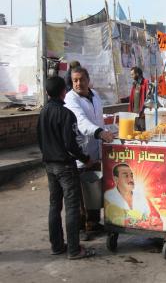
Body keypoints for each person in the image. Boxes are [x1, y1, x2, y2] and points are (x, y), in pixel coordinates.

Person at [37, 76, 95, 260]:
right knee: (71, 207)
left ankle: (56, 246)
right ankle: (74, 249)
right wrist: (85, 158)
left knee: (54, 206)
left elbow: (39, 139)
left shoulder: (43, 112)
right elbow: (71, 145)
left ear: (47, 92)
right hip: (65, 166)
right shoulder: (66, 114)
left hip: (49, 165)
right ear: (64, 91)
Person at [64, 67, 114, 240]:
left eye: (81, 79)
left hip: (96, 149)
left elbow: (98, 119)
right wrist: (100, 132)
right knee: (81, 194)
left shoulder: (94, 95)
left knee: (94, 189)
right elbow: (82, 122)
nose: (78, 83)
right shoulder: (71, 98)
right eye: (75, 80)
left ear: (88, 79)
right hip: (81, 152)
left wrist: (108, 132)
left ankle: (93, 223)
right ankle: (82, 227)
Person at [129, 67, 149, 131]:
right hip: (134, 113)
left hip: (142, 113)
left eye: (132, 74)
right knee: (135, 131)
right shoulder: (135, 84)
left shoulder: (145, 82)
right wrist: (122, 100)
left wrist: (145, 109)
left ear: (137, 74)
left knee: (143, 132)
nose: (131, 76)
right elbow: (133, 97)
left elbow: (148, 96)